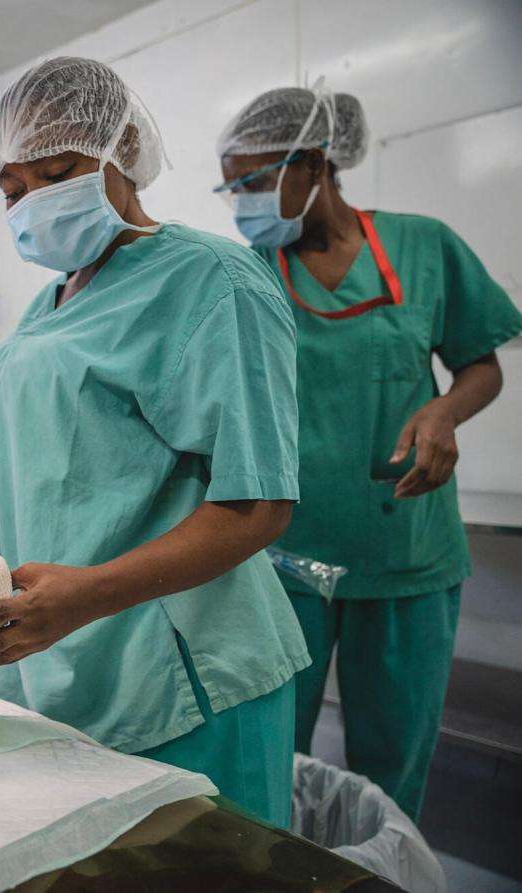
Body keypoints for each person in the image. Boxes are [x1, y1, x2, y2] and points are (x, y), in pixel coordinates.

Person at [0, 57, 310, 827]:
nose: (35, 201)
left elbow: (259, 503)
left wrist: (88, 596)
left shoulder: (213, 281)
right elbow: (78, 454)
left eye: (59, 171)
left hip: (178, 674)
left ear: (125, 149)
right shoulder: (55, 299)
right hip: (65, 661)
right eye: (14, 191)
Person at [216, 86, 521, 820]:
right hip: (284, 558)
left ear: (315, 163)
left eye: (255, 181)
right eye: (233, 187)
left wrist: (443, 411)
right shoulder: (250, 271)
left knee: (393, 764)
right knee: (268, 754)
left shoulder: (424, 246)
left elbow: (483, 364)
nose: (243, 203)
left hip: (405, 551)